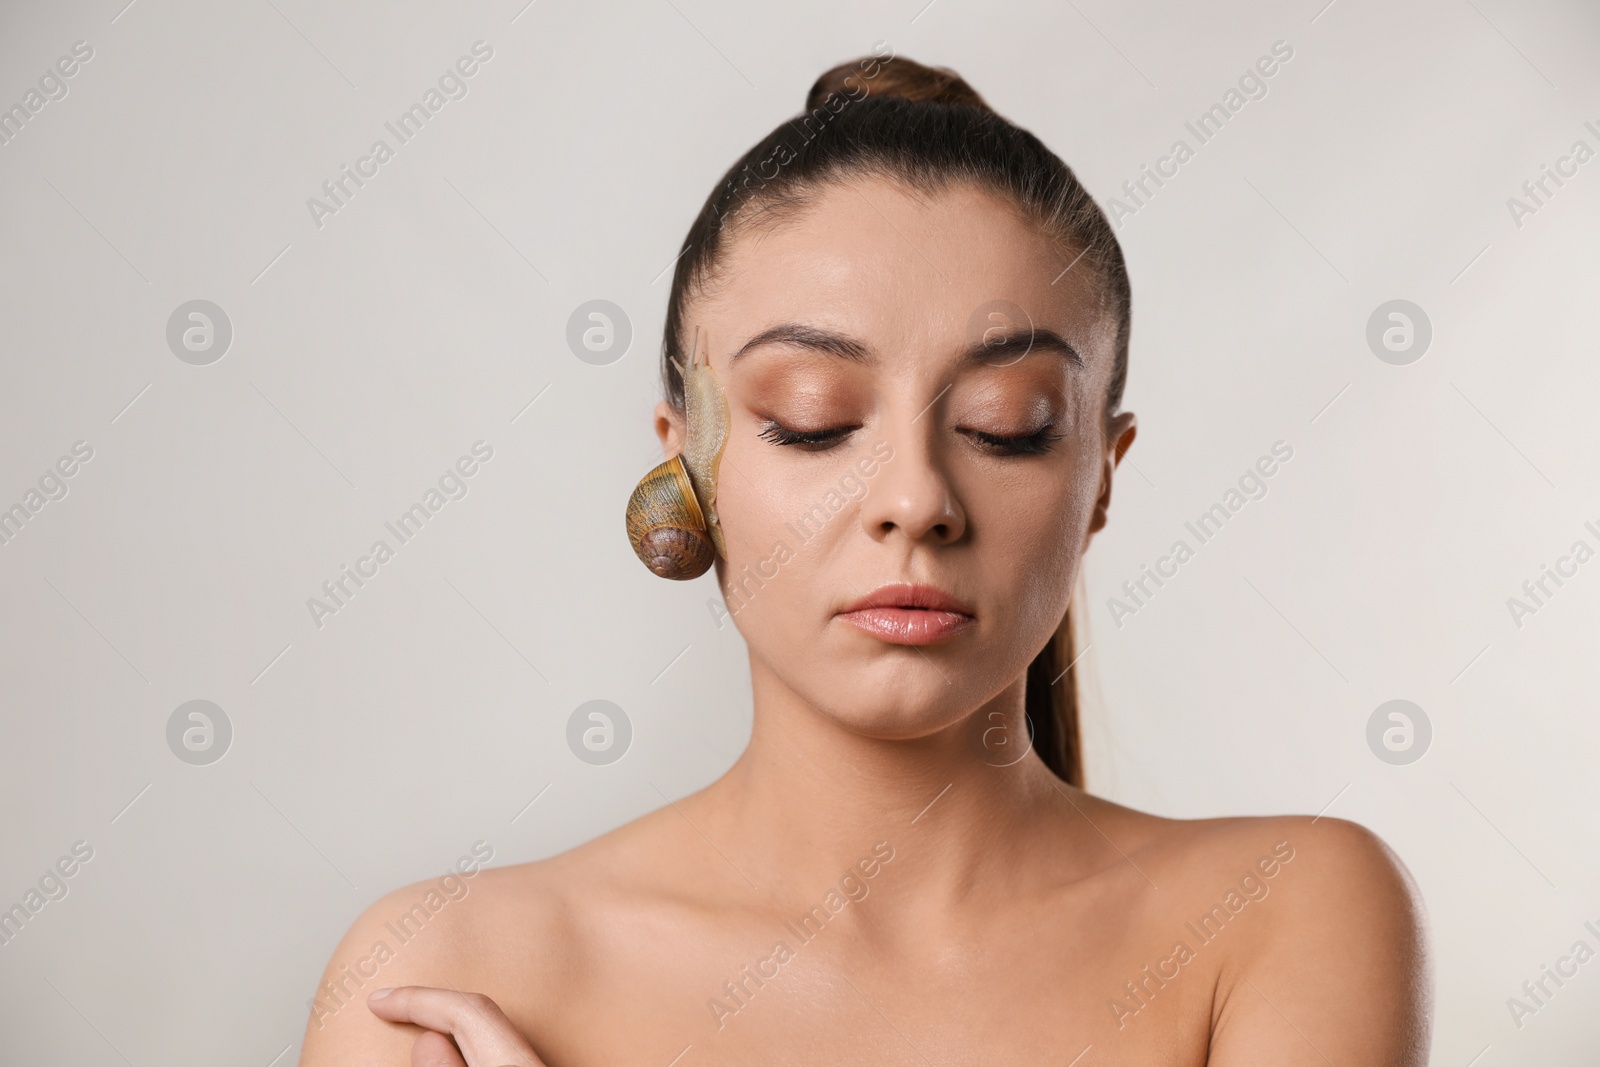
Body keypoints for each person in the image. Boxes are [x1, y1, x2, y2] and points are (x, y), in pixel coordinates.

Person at [298, 53, 1431, 1066]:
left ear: (1102, 475)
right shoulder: (438, 974)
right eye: (811, 415)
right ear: (687, 464)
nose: (915, 499)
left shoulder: (1284, 915)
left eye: (1007, 422)